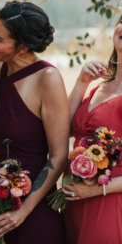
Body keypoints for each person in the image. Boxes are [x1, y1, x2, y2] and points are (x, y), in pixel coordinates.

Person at [0, 1, 68, 243]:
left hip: (32, 213)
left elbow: (59, 156)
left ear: (22, 47)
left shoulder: (48, 79)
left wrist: (22, 212)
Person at [63, 14, 122, 244]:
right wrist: (82, 82)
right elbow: (65, 130)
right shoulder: (98, 85)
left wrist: (97, 191)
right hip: (74, 199)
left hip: (109, 201)